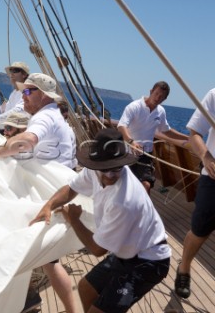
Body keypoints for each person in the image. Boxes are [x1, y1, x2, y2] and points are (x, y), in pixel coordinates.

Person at [30, 128, 171, 313]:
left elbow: (98, 249)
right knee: (85, 288)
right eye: (105, 169)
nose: (111, 175)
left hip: (149, 260)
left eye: (117, 168)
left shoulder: (125, 201)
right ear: (96, 164)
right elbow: (72, 188)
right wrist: (48, 205)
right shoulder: (94, 171)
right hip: (126, 252)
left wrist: (74, 219)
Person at [0, 73, 77, 313]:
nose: (23, 96)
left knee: (2, 238)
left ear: (42, 95)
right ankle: (35, 301)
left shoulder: (44, 118)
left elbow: (27, 141)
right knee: (47, 262)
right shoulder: (51, 116)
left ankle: (24, 300)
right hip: (51, 197)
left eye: (28, 92)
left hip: (44, 202)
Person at [175, 88, 215, 299]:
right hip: (213, 178)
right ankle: (184, 267)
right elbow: (195, 133)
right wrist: (206, 157)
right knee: (200, 231)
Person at [117, 81, 189, 194]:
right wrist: (131, 142)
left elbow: (167, 131)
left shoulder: (160, 112)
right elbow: (122, 125)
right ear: (151, 91)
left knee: (146, 184)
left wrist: (188, 138)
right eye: (156, 94)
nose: (158, 98)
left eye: (161, 97)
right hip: (128, 152)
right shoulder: (134, 107)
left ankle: (143, 211)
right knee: (124, 187)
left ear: (164, 99)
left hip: (145, 155)